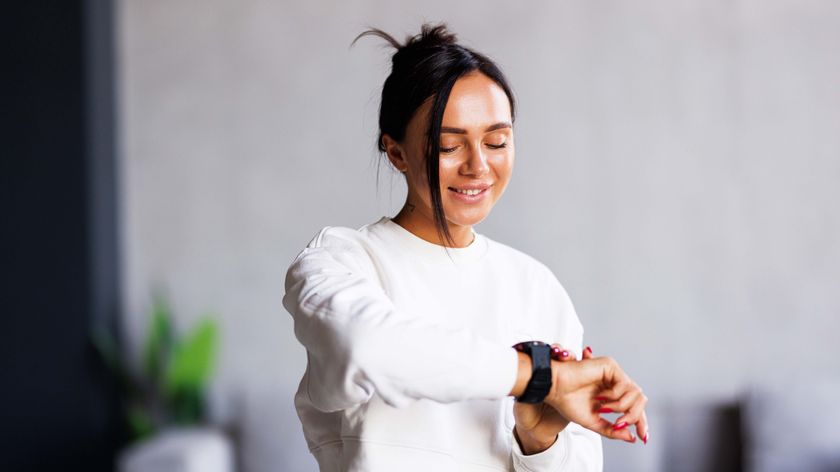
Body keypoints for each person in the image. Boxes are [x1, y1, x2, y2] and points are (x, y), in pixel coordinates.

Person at [282, 22, 649, 472]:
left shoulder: (535, 285)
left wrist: (537, 436)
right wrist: (539, 376)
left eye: (496, 141)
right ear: (396, 152)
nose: (479, 166)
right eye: (449, 145)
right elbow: (368, 348)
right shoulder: (341, 261)